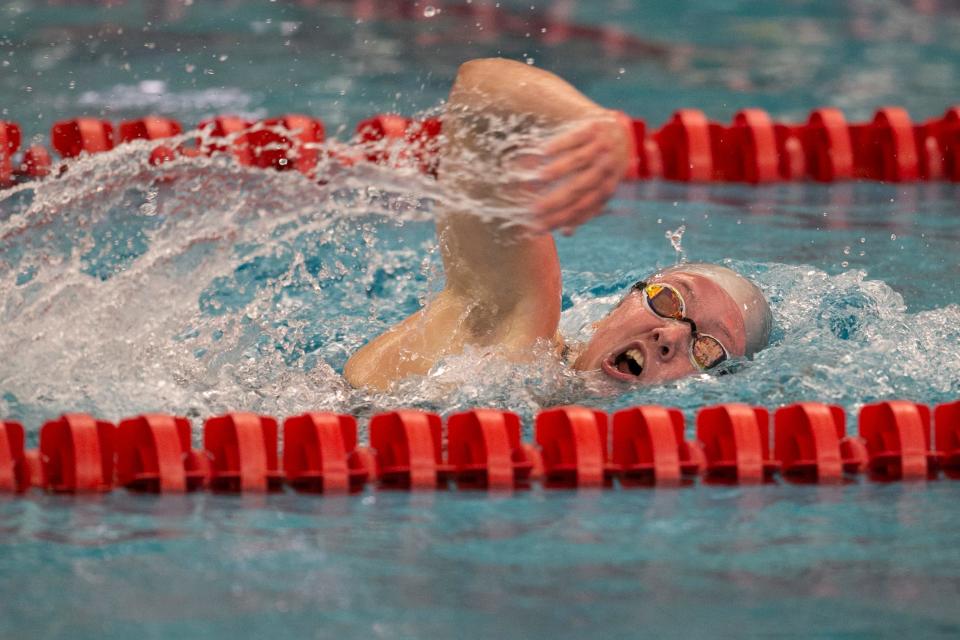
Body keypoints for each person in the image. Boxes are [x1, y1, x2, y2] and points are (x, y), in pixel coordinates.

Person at [344, 58, 771, 391]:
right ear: (615, 309)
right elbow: (478, 92)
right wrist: (591, 121)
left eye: (708, 348)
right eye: (669, 301)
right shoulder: (514, 330)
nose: (670, 334)